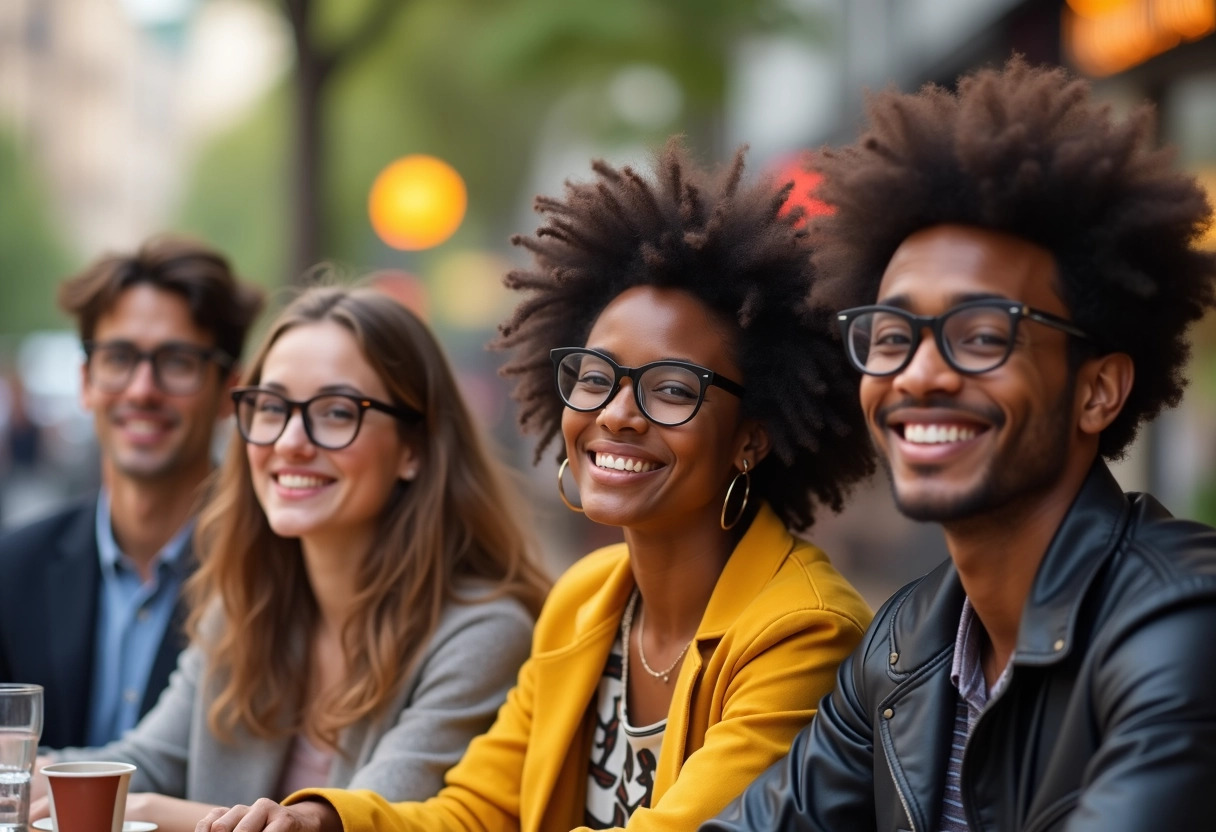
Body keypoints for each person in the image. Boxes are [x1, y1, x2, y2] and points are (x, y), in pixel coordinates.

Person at [194, 140, 876, 832]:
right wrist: (324, 820)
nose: (616, 414)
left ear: (751, 437)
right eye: (595, 377)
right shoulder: (582, 602)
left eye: (671, 389)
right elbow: (475, 810)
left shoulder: (803, 629)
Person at [701, 57, 1216, 832]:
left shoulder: (1180, 622)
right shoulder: (908, 643)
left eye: (981, 335)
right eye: (893, 335)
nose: (920, 374)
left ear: (1097, 390)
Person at [36, 285, 550, 831]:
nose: (290, 441)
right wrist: (21, 767)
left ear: (413, 449)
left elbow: (368, 822)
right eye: (271, 407)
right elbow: (144, 765)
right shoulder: (244, 610)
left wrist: (148, 813)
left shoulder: (483, 635)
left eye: (335, 412)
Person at [0, 236, 264, 748]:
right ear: (86, 380)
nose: (143, 389)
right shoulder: (12, 569)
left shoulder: (272, 575)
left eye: (178, 361)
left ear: (229, 391)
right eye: (119, 358)